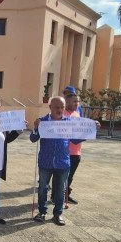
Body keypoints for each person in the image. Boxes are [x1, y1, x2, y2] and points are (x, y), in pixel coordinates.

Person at [30, 97, 83, 226]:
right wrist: (36, 128)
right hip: (45, 162)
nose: (59, 110)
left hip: (62, 162)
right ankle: (42, 212)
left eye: (62, 107)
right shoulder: (43, 121)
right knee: (43, 189)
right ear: (50, 107)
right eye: (57, 107)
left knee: (60, 190)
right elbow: (33, 138)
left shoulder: (68, 123)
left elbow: (76, 140)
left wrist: (91, 130)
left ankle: (57, 214)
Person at [63, 93, 99, 204]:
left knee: (70, 176)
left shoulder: (77, 113)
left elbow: (81, 130)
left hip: (76, 151)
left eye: (78, 101)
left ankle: (66, 195)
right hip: (64, 151)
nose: (77, 103)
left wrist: (93, 126)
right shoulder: (62, 114)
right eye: (74, 101)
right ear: (67, 102)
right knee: (61, 176)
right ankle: (56, 196)